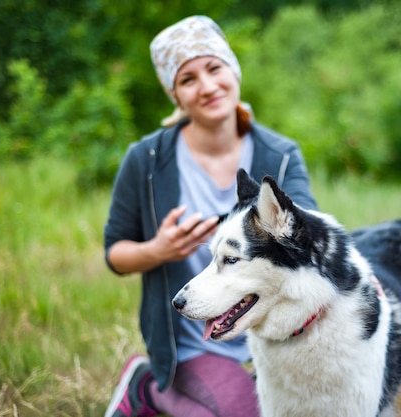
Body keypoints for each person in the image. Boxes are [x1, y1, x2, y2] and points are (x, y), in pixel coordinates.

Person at [103, 15, 318, 417]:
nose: (207, 86)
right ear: (175, 94)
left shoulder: (281, 154)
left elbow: (308, 229)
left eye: (214, 68)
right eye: (187, 79)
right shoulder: (146, 159)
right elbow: (114, 253)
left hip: (274, 333)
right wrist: (158, 250)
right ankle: (148, 383)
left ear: (233, 69)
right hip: (195, 341)